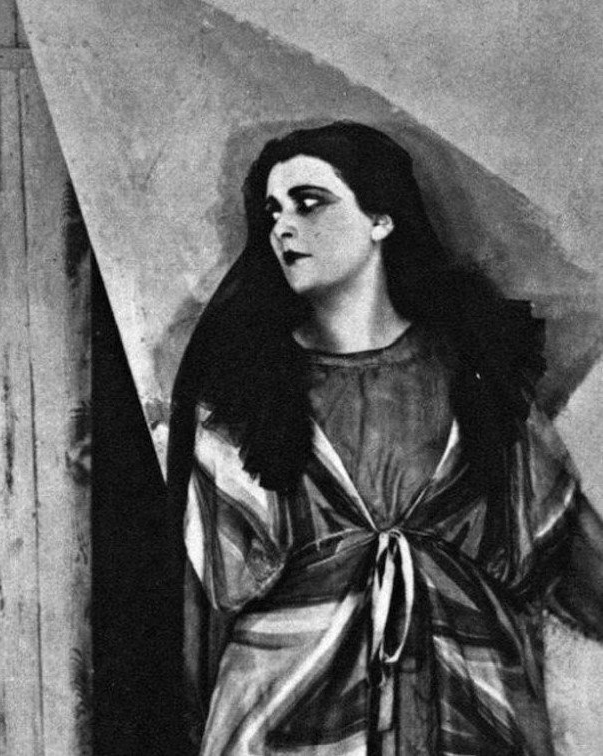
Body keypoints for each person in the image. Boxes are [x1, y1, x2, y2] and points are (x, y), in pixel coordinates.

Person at [167, 121, 603, 754]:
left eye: (309, 203)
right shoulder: (243, 397)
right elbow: (201, 611)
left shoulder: (478, 377)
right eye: (272, 211)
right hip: (288, 724)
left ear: (381, 219)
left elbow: (572, 555)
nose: (282, 227)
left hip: (472, 717)